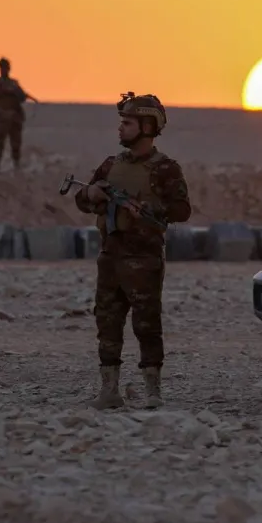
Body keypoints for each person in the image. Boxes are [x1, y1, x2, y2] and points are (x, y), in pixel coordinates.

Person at [72, 92, 192, 410]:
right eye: (122, 122)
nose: (120, 128)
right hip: (110, 256)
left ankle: (153, 391)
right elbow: (83, 200)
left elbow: (182, 210)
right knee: (107, 323)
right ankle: (109, 390)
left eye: (128, 123)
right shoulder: (111, 166)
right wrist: (91, 195)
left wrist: (151, 208)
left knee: (146, 325)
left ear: (147, 127)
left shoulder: (165, 169)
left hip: (144, 259)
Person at [0, 57, 36, 170]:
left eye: (6, 67)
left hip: (14, 117)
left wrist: (17, 92)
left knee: (16, 143)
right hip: (2, 116)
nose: (4, 70)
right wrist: (7, 90)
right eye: (2, 68)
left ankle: (16, 164)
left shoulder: (14, 83)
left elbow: (21, 97)